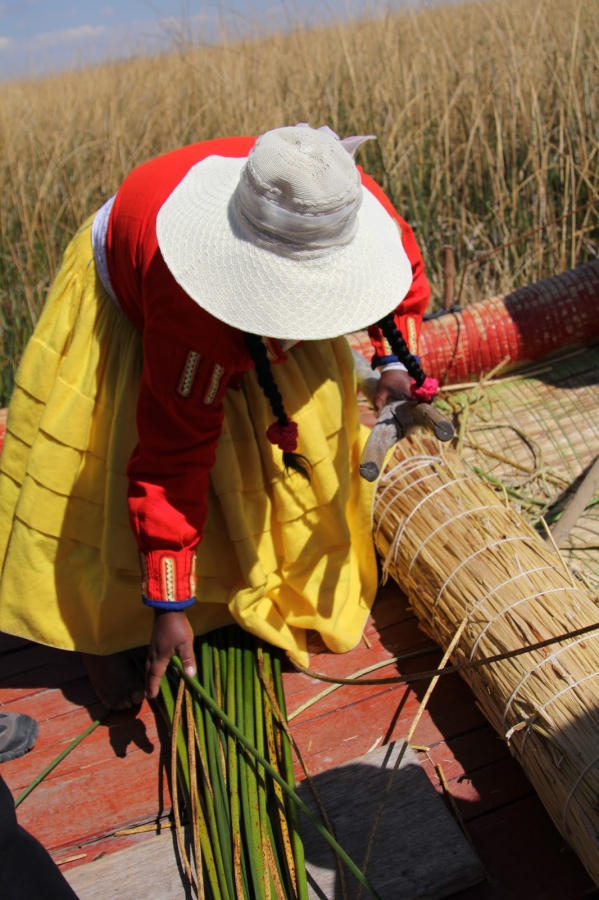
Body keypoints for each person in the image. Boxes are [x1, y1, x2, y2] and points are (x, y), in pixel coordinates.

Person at [0, 125, 433, 710]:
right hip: (141, 284)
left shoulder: (333, 192)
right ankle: (97, 635)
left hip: (232, 279)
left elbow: (402, 267)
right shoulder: (190, 312)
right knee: (114, 467)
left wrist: (395, 365)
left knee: (299, 431)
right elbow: (171, 457)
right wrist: (169, 605)